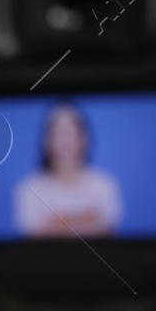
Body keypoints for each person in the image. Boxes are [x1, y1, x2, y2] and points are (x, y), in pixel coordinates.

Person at [13, 100, 123, 237]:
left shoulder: (105, 185)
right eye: (58, 133)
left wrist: (57, 224)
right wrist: (85, 220)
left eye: (72, 133)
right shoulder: (29, 188)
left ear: (84, 139)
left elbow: (108, 230)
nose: (65, 142)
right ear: (46, 140)